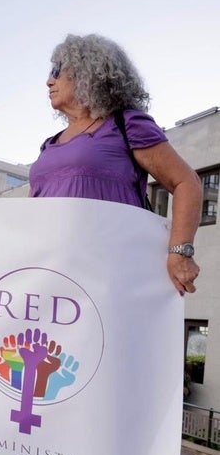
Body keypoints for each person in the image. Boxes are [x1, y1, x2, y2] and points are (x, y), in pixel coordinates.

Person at [31, 34, 202, 295]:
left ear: (88, 73)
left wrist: (180, 252)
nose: (48, 80)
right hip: (50, 274)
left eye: (57, 71)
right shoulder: (49, 145)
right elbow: (26, 214)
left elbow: (186, 182)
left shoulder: (126, 124)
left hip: (108, 273)